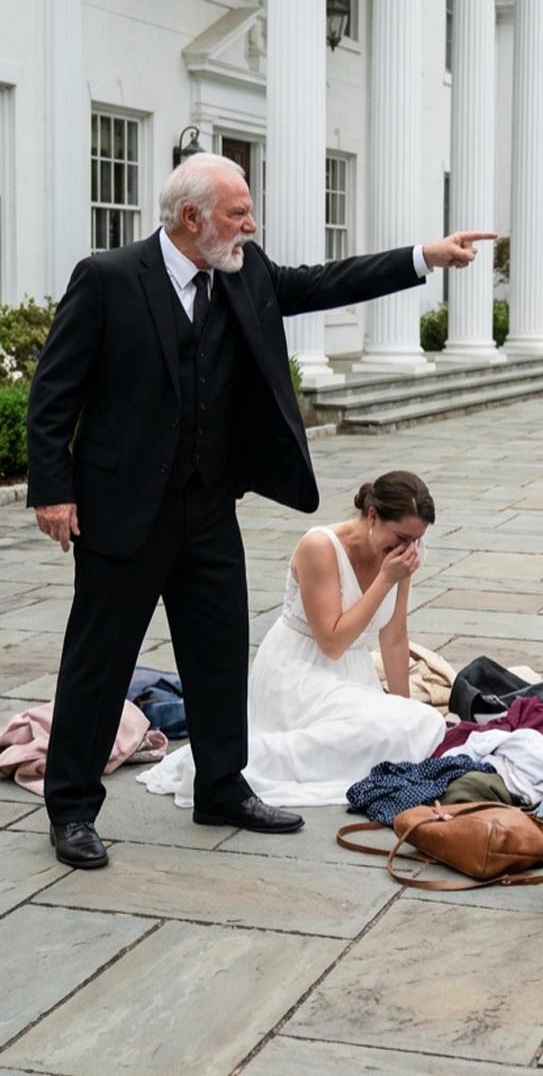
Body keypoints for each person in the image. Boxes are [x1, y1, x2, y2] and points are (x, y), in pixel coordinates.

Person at [26, 152, 493, 868]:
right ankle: (72, 810)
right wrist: (53, 489)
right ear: (192, 218)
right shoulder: (108, 278)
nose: (251, 224)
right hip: (124, 510)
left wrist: (422, 257)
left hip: (209, 507)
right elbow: (54, 390)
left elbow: (324, 282)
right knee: (100, 661)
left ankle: (221, 786)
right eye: (238, 212)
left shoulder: (244, 274)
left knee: (218, 654)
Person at [139, 472, 446, 806]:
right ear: (372, 516)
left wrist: (401, 708)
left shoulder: (403, 555)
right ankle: (245, 763)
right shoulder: (321, 547)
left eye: (416, 540)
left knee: (421, 724)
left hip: (352, 674)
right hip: (296, 673)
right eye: (402, 538)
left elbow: (394, 635)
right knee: (395, 728)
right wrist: (385, 580)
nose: (409, 549)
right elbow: (332, 642)